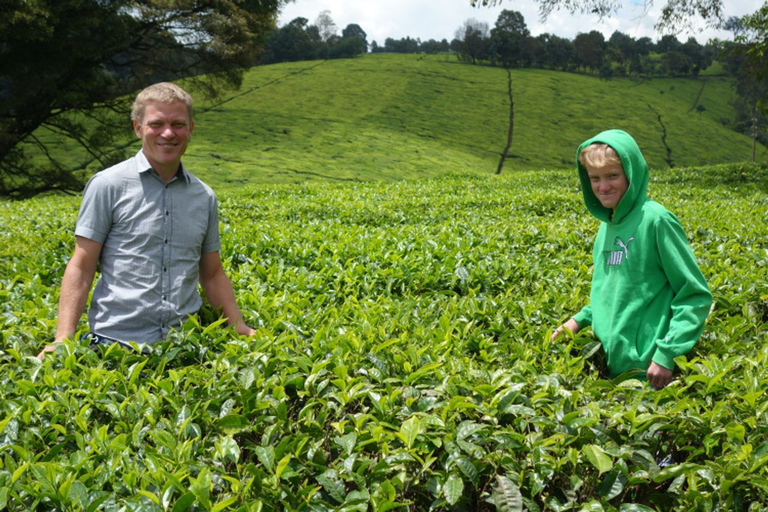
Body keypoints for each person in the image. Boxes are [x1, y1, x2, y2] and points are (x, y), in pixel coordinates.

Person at [38, 82, 255, 359]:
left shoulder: (204, 197)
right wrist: (63, 338)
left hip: (185, 349)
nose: (168, 133)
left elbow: (211, 273)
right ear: (138, 128)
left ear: (191, 129)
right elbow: (82, 265)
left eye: (178, 124)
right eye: (156, 124)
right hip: (113, 347)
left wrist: (239, 326)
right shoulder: (108, 185)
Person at [552, 129, 712, 389]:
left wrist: (667, 354)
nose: (603, 187)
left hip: (651, 373)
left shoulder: (656, 221)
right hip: (610, 370)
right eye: (595, 178)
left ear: (631, 173)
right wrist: (577, 321)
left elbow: (694, 295)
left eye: (612, 176)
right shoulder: (607, 227)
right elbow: (611, 292)